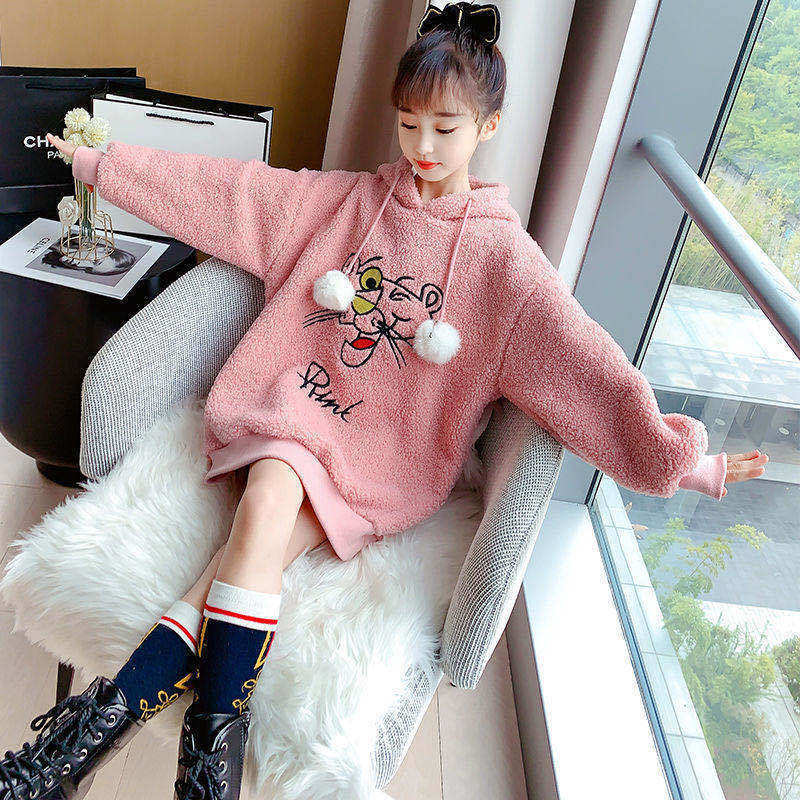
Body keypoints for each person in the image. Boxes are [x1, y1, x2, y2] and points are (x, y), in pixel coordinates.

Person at [1, 3, 768, 799]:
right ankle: (202, 777)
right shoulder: (347, 205)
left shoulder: (506, 266)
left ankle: (72, 751)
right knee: (267, 499)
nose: (422, 146)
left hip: (381, 460)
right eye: (408, 124)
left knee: (236, 561)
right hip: (291, 413)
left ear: (489, 126)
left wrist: (678, 460)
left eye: (445, 127)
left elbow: (582, 364)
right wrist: (105, 166)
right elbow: (230, 191)